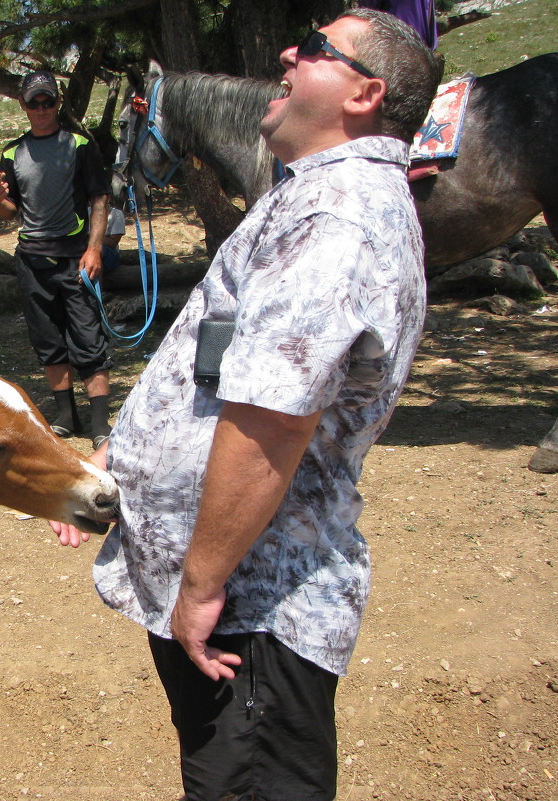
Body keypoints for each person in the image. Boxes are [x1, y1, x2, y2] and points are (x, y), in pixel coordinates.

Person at [51, 10, 442, 800]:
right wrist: (117, 457)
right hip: (238, 598)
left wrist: (200, 586)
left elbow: (273, 418)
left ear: (365, 94)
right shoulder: (310, 198)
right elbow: (221, 363)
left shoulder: (338, 218)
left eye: (316, 49)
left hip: (252, 609)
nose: (289, 54)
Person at [0, 70, 114, 450]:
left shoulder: (79, 145)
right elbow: (11, 212)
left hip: (76, 258)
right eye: (33, 102)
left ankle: (99, 422)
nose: (41, 109)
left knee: (88, 338)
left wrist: (94, 249)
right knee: (48, 340)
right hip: (31, 260)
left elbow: (100, 200)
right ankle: (65, 416)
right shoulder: (12, 152)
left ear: (58, 103)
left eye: (48, 101)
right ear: (22, 106)